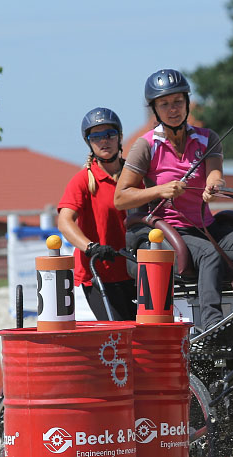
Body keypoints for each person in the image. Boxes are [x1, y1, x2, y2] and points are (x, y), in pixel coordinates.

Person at [114, 68, 233, 331]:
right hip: (171, 232)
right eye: (165, 104)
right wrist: (160, 191)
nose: (173, 109)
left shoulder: (207, 139)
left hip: (207, 226)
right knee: (209, 255)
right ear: (155, 110)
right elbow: (121, 198)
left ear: (186, 102)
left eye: (178, 102)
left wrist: (213, 185)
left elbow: (215, 173)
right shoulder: (145, 146)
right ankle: (213, 327)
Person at [57, 107, 136, 321]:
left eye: (109, 135)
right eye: (96, 137)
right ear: (89, 142)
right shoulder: (82, 180)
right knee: (119, 334)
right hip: (99, 274)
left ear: (119, 137)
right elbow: (65, 222)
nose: (104, 141)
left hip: (135, 271)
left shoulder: (135, 176)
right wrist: (90, 247)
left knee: (145, 337)